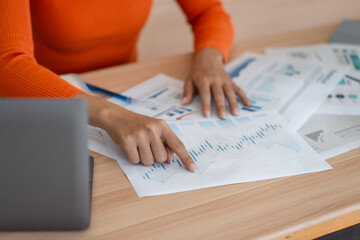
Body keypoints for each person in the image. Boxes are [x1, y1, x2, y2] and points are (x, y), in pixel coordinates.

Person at [0, 0, 250, 172]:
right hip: (45, 100)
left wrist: (209, 59)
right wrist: (110, 114)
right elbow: (8, 63)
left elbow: (208, 11)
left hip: (123, 88)